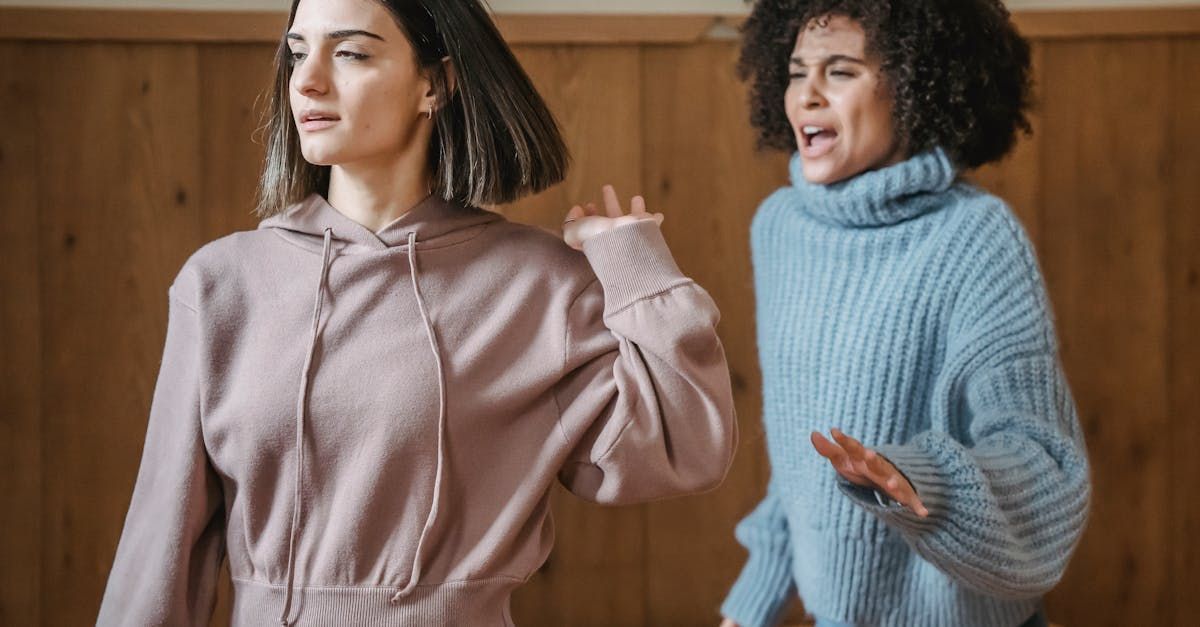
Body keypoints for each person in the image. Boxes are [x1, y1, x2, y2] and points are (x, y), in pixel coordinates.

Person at [97, 0, 737, 624]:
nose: (309, 81)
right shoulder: (222, 285)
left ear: (435, 82)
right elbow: (161, 545)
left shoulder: (538, 286)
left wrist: (637, 269)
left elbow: (689, 448)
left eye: (349, 52)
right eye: (297, 54)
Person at [718, 1, 1090, 626]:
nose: (805, 96)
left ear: (918, 87)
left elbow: (1043, 467)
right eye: (795, 71)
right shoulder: (779, 229)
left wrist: (922, 483)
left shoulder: (977, 239)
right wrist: (751, 604)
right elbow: (801, 458)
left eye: (839, 72)